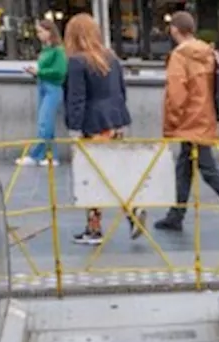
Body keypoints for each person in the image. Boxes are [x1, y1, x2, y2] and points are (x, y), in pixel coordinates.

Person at [64, 13, 140, 246]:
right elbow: (121, 92)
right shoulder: (111, 58)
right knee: (113, 172)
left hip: (93, 125)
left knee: (92, 176)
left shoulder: (77, 62)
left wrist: (74, 128)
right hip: (115, 122)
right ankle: (133, 210)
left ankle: (94, 229)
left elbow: (76, 99)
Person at [152, 11, 219, 234]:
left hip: (189, 121)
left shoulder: (180, 56)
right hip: (204, 118)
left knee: (208, 170)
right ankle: (176, 214)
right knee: (184, 167)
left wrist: (172, 124)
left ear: (174, 30)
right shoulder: (208, 52)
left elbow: (177, 95)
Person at [18, 19, 66, 167]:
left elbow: (60, 71)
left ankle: (37, 155)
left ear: (50, 32)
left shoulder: (58, 50)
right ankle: (51, 155)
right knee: (45, 123)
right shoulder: (47, 50)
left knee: (45, 122)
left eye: (41, 31)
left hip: (52, 87)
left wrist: (40, 71)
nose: (38, 35)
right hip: (44, 85)